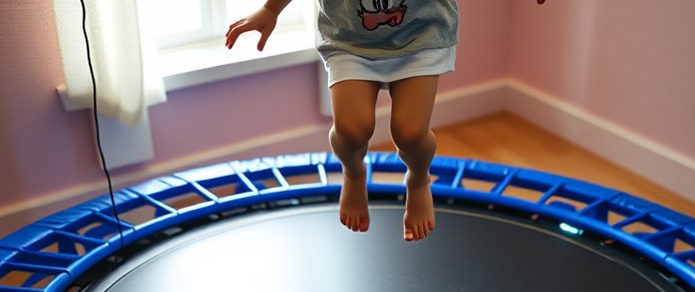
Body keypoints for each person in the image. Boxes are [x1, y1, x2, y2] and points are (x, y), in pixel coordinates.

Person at [226, 1, 544, 241]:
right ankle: (353, 172)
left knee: (410, 132)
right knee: (351, 129)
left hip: (422, 34)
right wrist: (271, 9)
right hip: (349, 39)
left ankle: (418, 179)